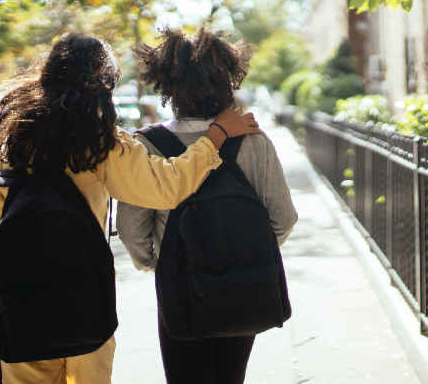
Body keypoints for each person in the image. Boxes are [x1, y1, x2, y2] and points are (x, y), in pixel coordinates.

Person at [0, 32, 260, 384]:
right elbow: (166, 186)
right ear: (102, 82)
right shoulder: (95, 142)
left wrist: (3, 304)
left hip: (20, 298)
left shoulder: (15, 136)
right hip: (82, 297)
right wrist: (217, 133)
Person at [117, 26, 298, 384]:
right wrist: (247, 253)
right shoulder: (254, 142)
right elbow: (284, 218)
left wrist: (156, 262)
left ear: (167, 85)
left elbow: (131, 228)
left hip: (181, 287)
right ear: (227, 80)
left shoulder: (147, 146)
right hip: (243, 284)